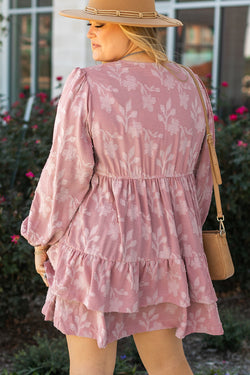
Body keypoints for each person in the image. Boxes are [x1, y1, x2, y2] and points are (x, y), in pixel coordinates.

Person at [21, 0, 224, 374]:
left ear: (128, 28)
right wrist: (180, 234)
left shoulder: (88, 84)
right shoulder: (190, 84)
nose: (89, 34)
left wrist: (41, 236)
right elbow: (200, 180)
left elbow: (66, 172)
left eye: (98, 25)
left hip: (95, 251)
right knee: (168, 364)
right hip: (166, 250)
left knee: (90, 367)